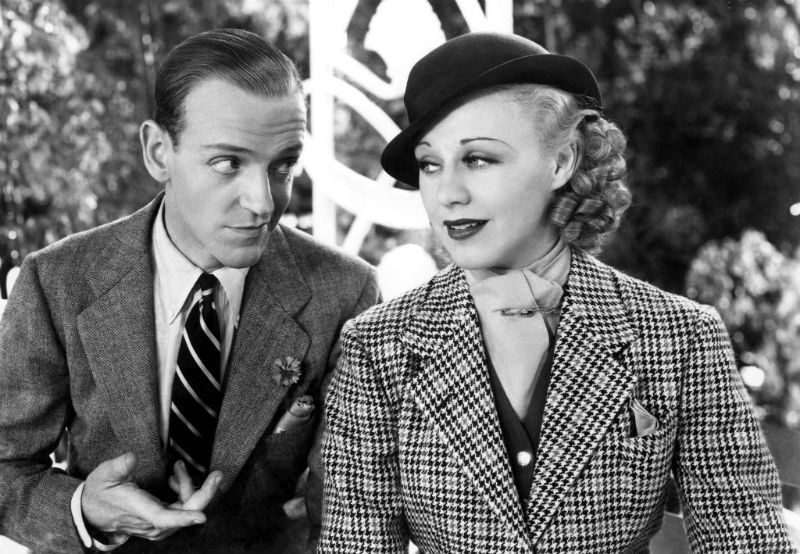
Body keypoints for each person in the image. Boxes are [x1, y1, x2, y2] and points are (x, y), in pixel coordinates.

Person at [319, 32, 795, 553]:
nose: (447, 193)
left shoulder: (680, 336)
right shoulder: (377, 347)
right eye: (431, 164)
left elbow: (746, 540)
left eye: (478, 158)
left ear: (562, 161)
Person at [0, 28, 379, 553]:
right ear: (159, 152)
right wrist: (83, 509)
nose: (263, 203)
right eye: (229, 163)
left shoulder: (345, 291)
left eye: (284, 166)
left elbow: (350, 509)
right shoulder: (59, 281)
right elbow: (5, 465)